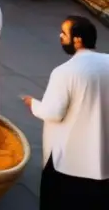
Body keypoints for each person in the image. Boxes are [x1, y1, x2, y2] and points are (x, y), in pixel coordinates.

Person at [22, 16, 109, 206]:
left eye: (64, 33)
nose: (60, 36)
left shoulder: (65, 71)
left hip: (69, 164)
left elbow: (54, 112)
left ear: (77, 40)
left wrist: (33, 104)